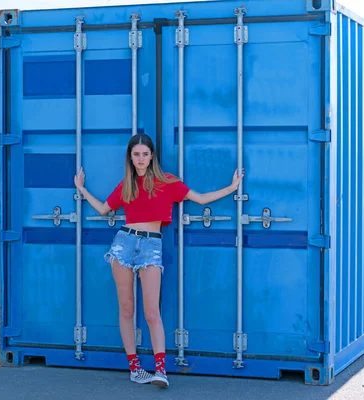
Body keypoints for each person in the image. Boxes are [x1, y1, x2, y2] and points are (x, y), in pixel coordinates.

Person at [73, 133, 243, 388]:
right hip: (124, 243)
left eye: (144, 154)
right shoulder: (127, 185)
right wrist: (82, 189)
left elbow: (201, 198)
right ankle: (135, 368)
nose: (140, 159)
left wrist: (231, 188)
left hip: (152, 245)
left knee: (152, 312)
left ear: (152, 155)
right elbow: (103, 209)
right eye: (136, 154)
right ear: (130, 157)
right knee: (127, 308)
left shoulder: (169, 182)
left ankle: (160, 370)